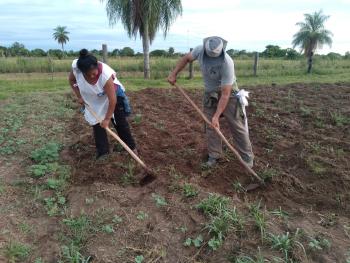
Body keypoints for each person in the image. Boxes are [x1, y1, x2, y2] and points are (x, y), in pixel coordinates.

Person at [168, 36, 254, 168]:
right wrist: (174, 73)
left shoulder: (227, 63)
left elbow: (225, 95)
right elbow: (186, 58)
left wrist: (217, 116)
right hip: (210, 93)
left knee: (236, 125)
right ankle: (214, 156)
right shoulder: (199, 50)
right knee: (210, 126)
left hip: (229, 94)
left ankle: (247, 157)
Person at [68, 49, 137, 159]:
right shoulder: (77, 69)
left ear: (97, 67)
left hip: (113, 95)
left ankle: (131, 148)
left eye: (94, 73)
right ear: (82, 72)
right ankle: (103, 153)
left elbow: (112, 100)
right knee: (97, 124)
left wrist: (107, 119)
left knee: (119, 122)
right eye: (88, 74)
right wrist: (79, 96)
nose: (91, 76)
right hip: (94, 98)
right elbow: (72, 81)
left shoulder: (105, 74)